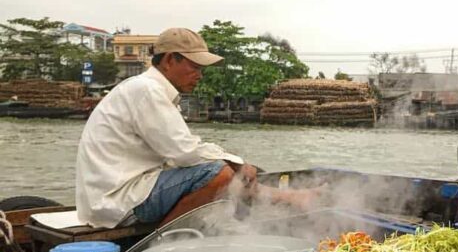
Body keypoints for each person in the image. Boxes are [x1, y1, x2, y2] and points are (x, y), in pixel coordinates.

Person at [76, 28, 315, 228]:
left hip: (114, 195)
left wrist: (235, 164)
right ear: (170, 60)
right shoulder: (147, 90)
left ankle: (293, 197)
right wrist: (237, 163)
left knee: (226, 173)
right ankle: (161, 241)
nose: (200, 75)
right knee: (218, 174)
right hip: (117, 199)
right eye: (194, 67)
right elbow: (185, 153)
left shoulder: (145, 89)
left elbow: (180, 151)